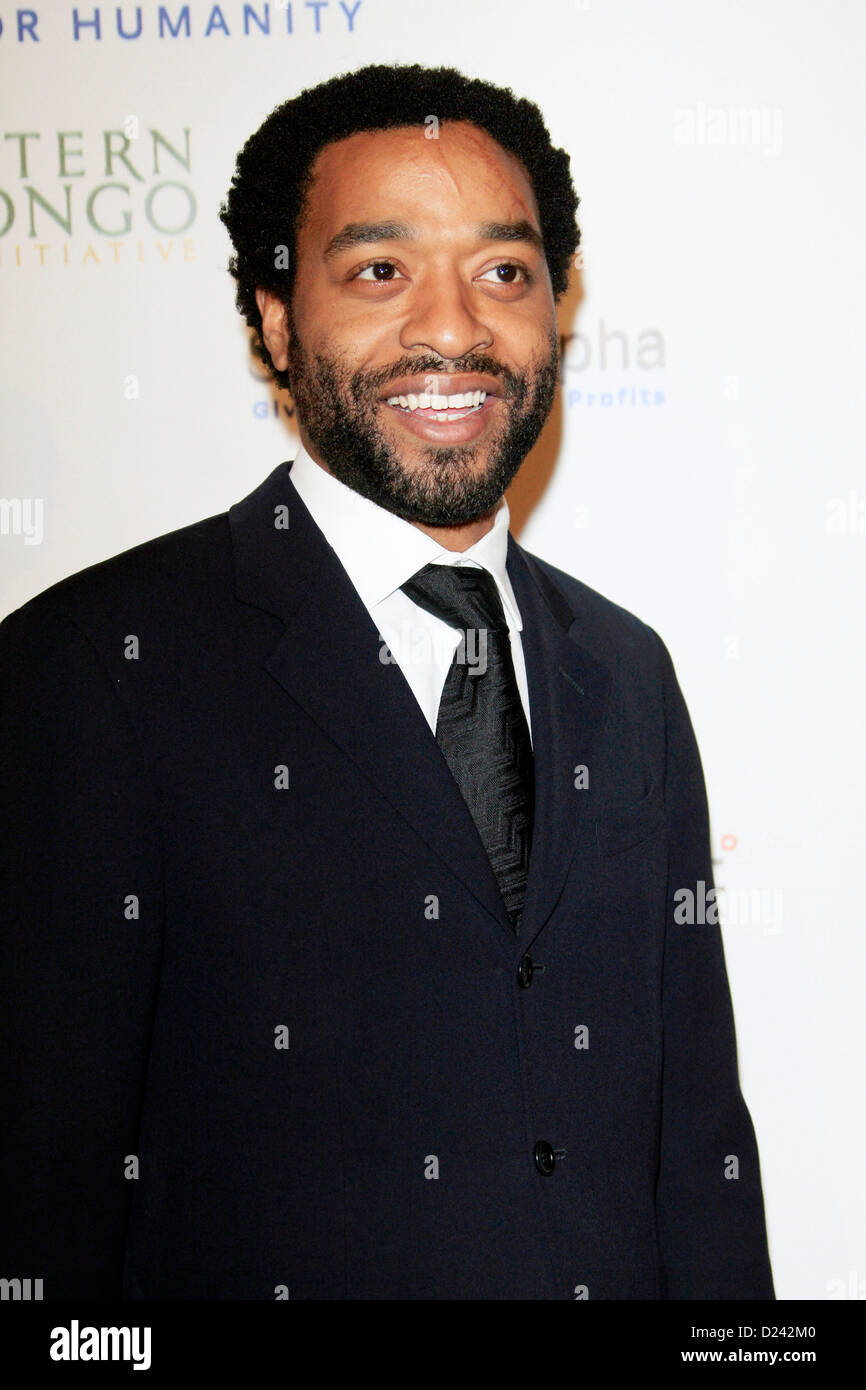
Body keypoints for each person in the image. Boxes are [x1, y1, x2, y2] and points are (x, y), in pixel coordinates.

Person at [0, 63, 774, 1300]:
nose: (453, 327)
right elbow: (41, 1195)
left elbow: (697, 1153)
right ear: (272, 317)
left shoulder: (625, 671)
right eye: (378, 270)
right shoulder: (95, 669)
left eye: (501, 272)